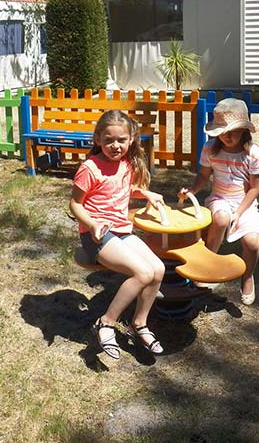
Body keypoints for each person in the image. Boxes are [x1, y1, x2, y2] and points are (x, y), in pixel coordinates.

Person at [69, 109, 165, 359]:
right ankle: (106, 322)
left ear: (131, 139)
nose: (115, 145)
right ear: (98, 139)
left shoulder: (126, 164)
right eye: (109, 140)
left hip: (121, 230)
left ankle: (139, 324)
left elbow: (118, 190)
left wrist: (143, 193)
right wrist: (91, 224)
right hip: (96, 236)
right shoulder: (89, 168)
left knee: (158, 270)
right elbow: (75, 204)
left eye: (121, 140)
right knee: (142, 273)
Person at [179, 98, 259, 305]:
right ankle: (207, 263)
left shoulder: (253, 154)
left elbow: (255, 188)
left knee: (252, 243)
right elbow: (203, 176)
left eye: (233, 132)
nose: (226, 136)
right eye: (221, 131)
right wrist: (192, 190)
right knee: (220, 219)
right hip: (219, 198)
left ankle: (247, 275)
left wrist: (239, 212)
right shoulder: (210, 148)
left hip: (244, 204)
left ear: (244, 131)